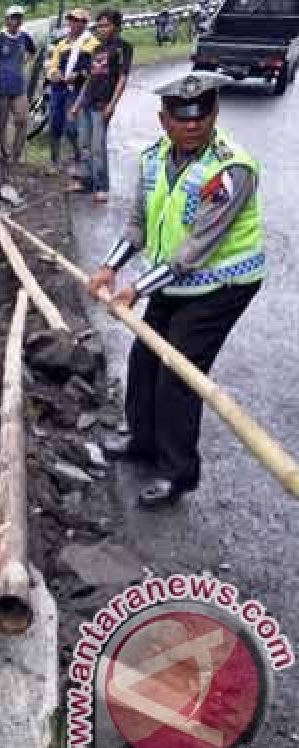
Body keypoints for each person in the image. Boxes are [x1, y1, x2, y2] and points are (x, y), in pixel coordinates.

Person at [88, 72, 265, 509]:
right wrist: (109, 267)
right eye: (182, 117)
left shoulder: (230, 170)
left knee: (178, 376)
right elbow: (138, 225)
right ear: (163, 119)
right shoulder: (153, 159)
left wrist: (135, 289)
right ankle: (143, 442)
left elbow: (195, 252)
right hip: (173, 281)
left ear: (214, 114)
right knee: (144, 358)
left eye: (202, 116)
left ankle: (178, 472)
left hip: (221, 285)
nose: (192, 125)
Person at [70, 8, 133, 202]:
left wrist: (112, 105)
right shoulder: (96, 49)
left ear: (116, 26)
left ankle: (102, 186)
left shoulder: (123, 48)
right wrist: (77, 104)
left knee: (98, 147)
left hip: (102, 104)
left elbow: (122, 79)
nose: (102, 29)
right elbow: (89, 80)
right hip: (87, 103)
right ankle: (86, 181)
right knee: (84, 144)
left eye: (106, 25)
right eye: (99, 25)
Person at [0, 5, 38, 163]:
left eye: (19, 17)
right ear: (6, 20)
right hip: (2, 88)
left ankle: (16, 153)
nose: (16, 21)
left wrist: (25, 63)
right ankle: (2, 152)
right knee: (1, 123)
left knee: (22, 120)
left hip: (19, 87)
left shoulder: (25, 37)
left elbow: (32, 51)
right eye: (13, 17)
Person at [46, 9, 98, 170]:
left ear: (85, 23)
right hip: (59, 88)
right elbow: (52, 66)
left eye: (78, 20)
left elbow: (95, 69)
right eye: (71, 20)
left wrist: (79, 74)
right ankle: (54, 161)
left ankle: (78, 156)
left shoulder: (92, 43)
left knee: (71, 126)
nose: (73, 23)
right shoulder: (62, 44)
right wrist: (54, 73)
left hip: (78, 89)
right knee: (54, 124)